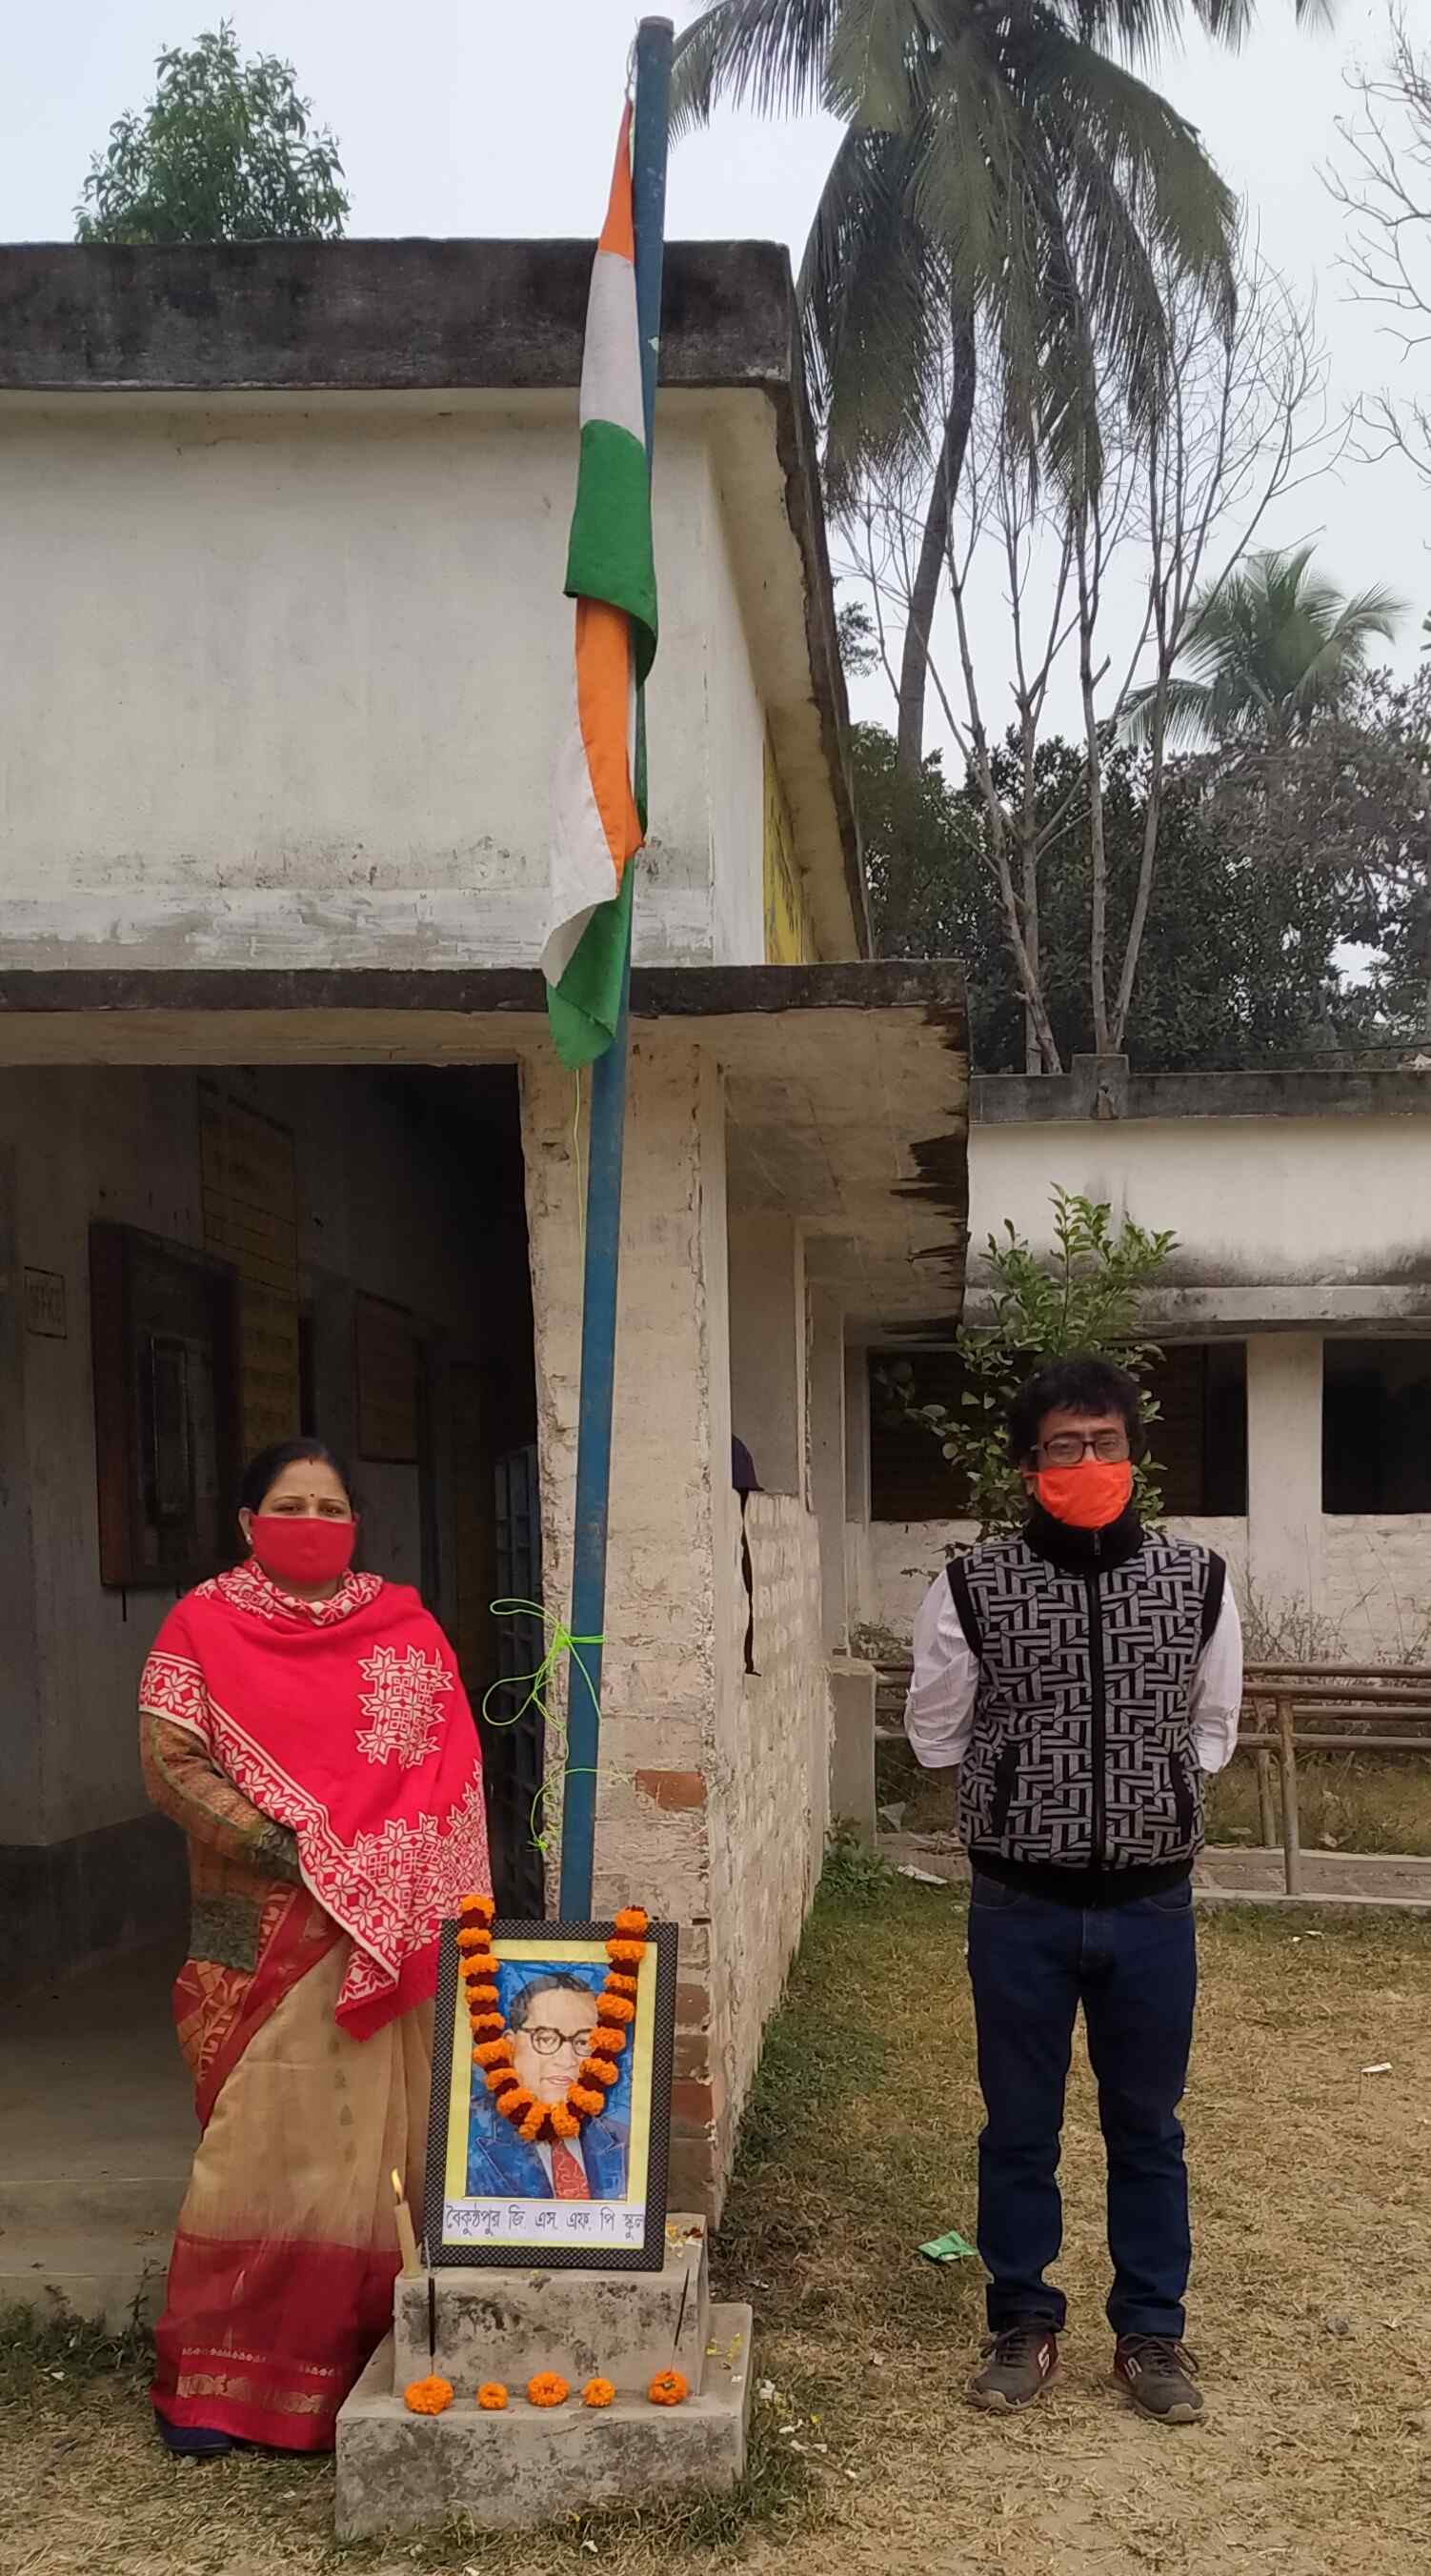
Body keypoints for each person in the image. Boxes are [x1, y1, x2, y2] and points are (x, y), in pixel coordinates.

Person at [904, 1355, 1242, 2426]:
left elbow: (1212, 1729)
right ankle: (1022, 2319)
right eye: (1064, 1445)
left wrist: (1146, 1793)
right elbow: (934, 1734)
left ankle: (1150, 2330)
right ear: (1027, 1465)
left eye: (1104, 1442)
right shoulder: (972, 1585)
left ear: (1134, 1456)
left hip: (1152, 1905)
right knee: (1018, 2123)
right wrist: (1029, 1781)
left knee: (1148, 2124)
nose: (1087, 1460)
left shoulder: (1196, 1580)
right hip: (1019, 1903)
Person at [139, 1438, 491, 2458]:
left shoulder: (404, 1629)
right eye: (289, 1506)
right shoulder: (203, 1624)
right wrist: (290, 1846)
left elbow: (447, 1766)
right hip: (260, 1925)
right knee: (257, 2145)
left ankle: (360, 2366)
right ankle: (219, 2385)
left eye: (330, 1507)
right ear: (247, 1523)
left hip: (390, 1926)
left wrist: (384, 1861)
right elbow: (170, 1763)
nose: (312, 1522)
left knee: (381, 2149)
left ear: (356, 1524)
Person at [466, 1971, 629, 2200]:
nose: (566, 2060)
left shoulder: (626, 2141)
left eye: (583, 2042)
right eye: (545, 2038)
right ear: (509, 2046)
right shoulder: (464, 2137)